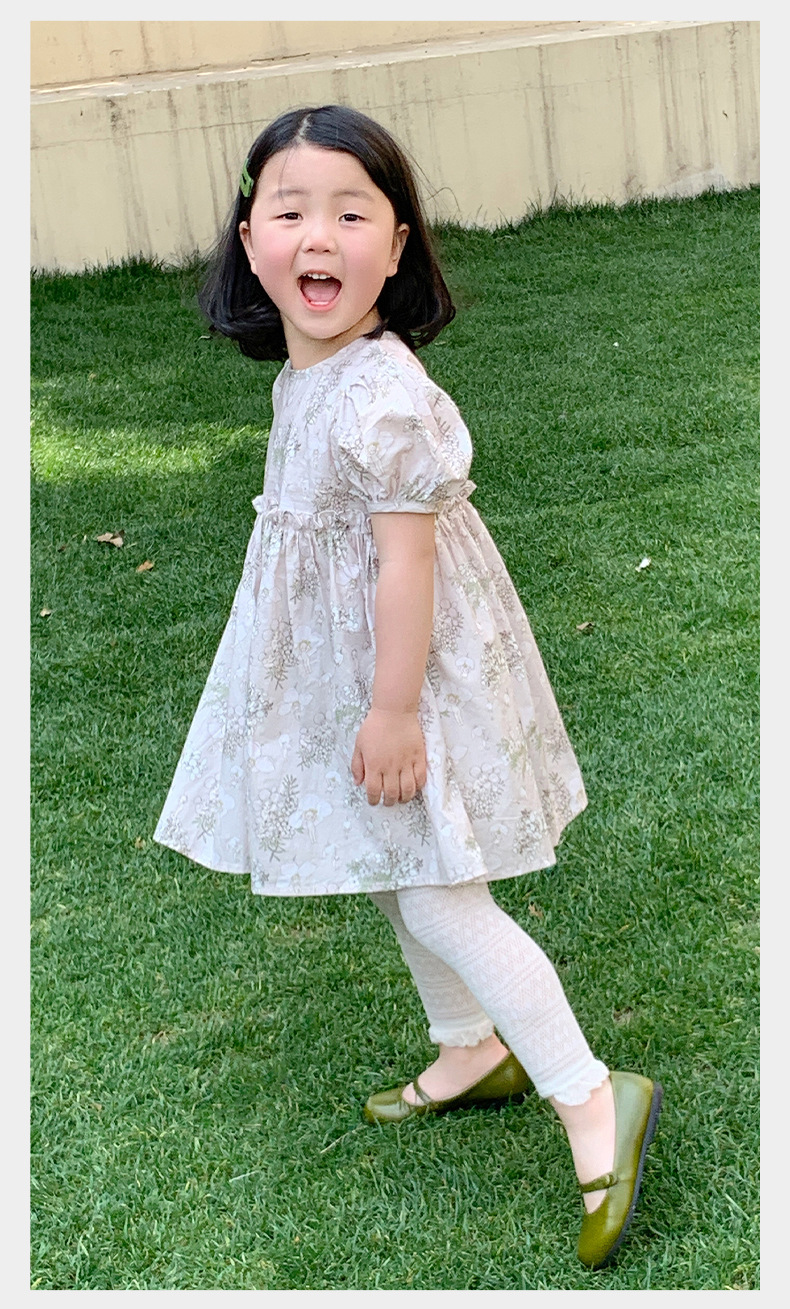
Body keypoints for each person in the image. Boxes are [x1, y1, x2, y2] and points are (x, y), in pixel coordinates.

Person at [154, 103, 662, 1270]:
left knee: (437, 893)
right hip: (346, 671)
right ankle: (468, 1047)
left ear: (396, 246)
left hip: (408, 676)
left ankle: (592, 1094)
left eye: (351, 214)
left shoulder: (381, 393)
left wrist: (390, 713)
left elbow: (405, 563)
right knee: (391, 864)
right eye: (290, 211)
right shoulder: (311, 374)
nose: (316, 236)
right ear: (248, 238)